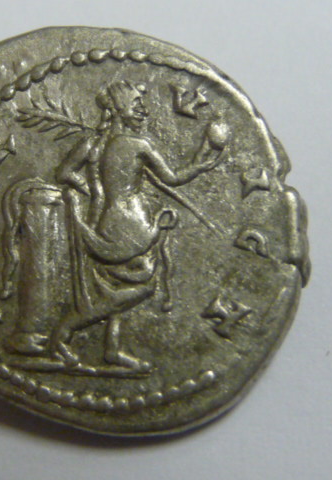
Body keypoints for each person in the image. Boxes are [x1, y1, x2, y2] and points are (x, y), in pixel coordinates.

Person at [50, 80, 226, 370]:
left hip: (105, 220)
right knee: (143, 286)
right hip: (132, 224)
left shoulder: (91, 144)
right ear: (120, 110)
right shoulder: (138, 145)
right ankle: (65, 333)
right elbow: (172, 178)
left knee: (118, 284)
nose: (144, 111)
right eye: (137, 105)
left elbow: (64, 173)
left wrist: (91, 192)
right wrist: (200, 163)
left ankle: (112, 349)